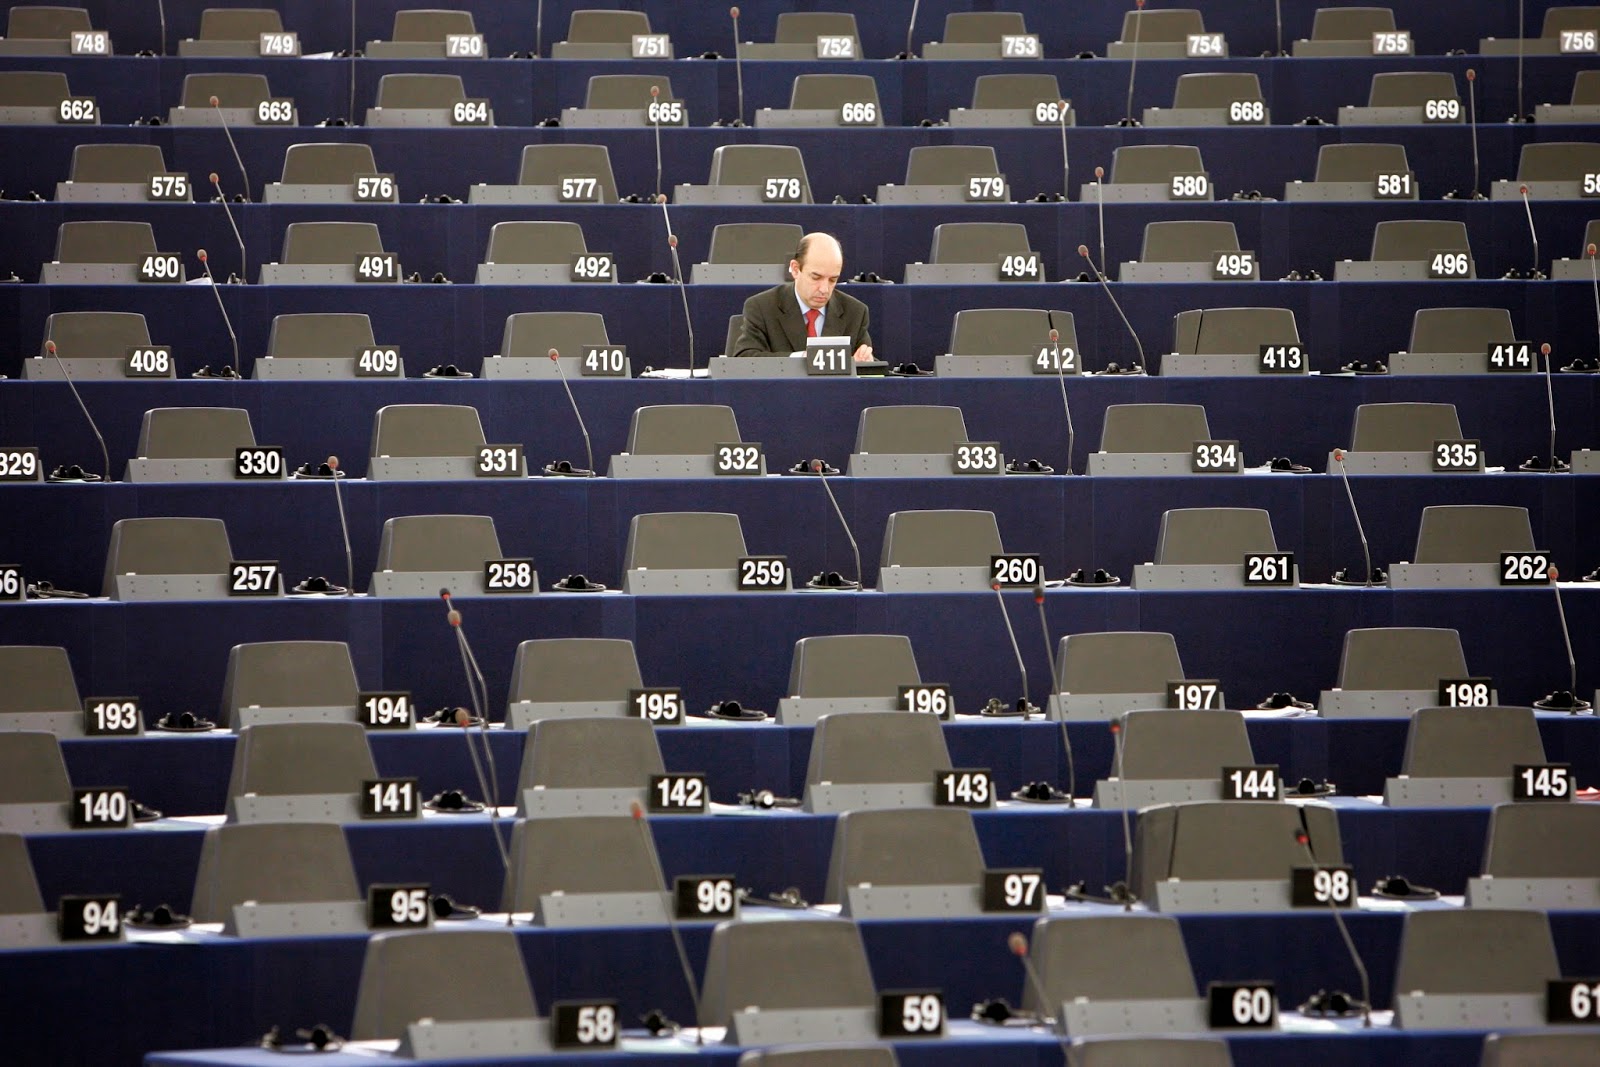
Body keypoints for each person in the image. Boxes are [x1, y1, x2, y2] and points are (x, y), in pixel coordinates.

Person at [733, 232, 874, 361]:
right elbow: (745, 359)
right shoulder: (762, 307)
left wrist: (864, 365)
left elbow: (873, 370)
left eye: (832, 280)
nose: (824, 289)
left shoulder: (855, 312)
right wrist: (803, 359)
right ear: (795, 269)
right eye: (816, 277)